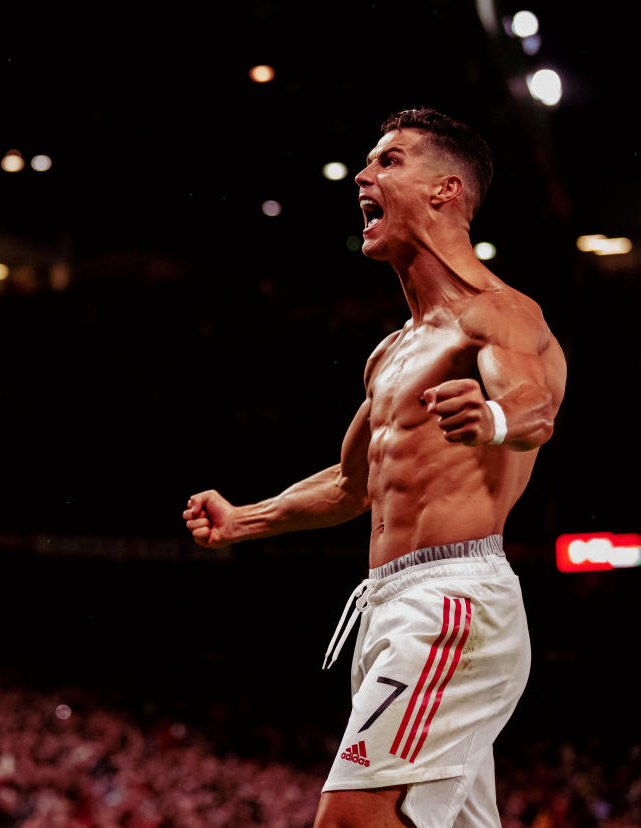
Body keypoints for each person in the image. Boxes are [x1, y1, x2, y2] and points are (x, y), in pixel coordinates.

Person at [182, 108, 567, 828]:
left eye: (388, 161)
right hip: (389, 606)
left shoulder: (500, 313)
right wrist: (246, 519)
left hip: (452, 604)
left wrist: (494, 420)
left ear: (446, 190)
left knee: (351, 821)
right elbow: (353, 484)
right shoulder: (390, 353)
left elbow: (534, 409)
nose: (363, 176)